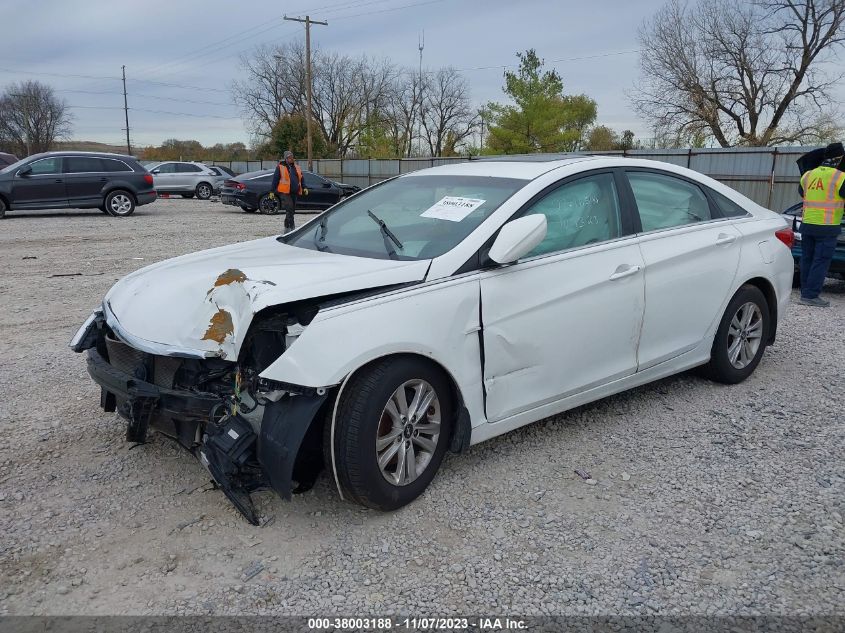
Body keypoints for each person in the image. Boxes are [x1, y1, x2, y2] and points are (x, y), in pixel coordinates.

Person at [796, 142, 845, 307]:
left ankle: (805, 293)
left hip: (808, 224)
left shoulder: (808, 175)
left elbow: (803, 193)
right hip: (828, 226)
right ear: (839, 158)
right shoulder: (840, 177)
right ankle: (811, 295)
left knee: (807, 259)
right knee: (821, 261)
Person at [270, 150, 308, 232]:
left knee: (292, 210)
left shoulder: (297, 167)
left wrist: (304, 187)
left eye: (291, 157)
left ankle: (289, 227)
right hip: (285, 192)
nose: (291, 158)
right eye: (289, 157)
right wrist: (272, 191)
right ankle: (289, 228)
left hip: (294, 192)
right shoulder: (280, 167)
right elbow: (275, 179)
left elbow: (301, 178)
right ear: (285, 158)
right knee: (289, 208)